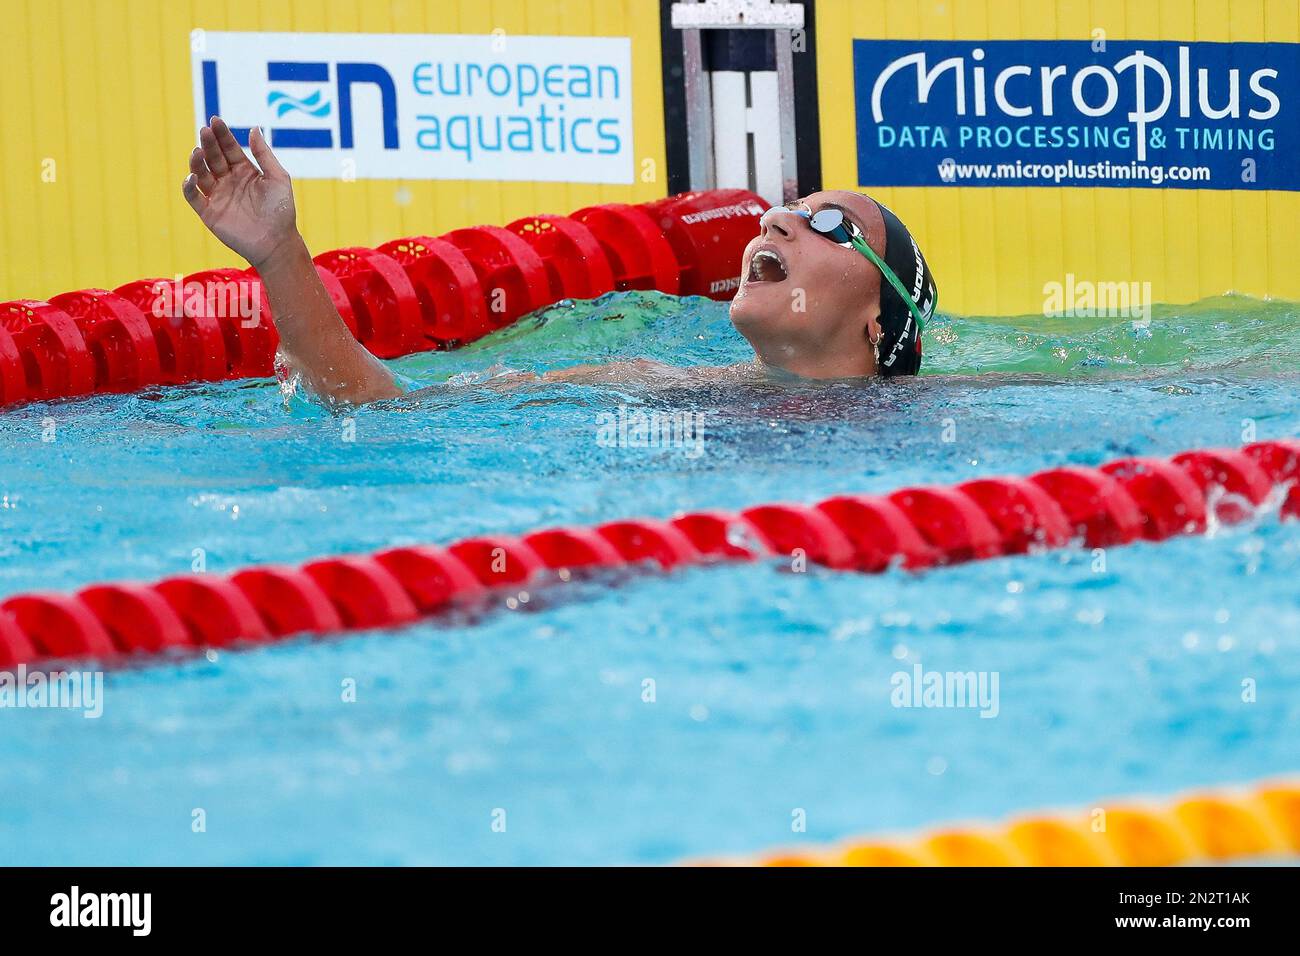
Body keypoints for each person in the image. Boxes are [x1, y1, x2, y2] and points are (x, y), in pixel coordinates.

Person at [182, 117, 937, 406]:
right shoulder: (650, 390)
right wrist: (281, 254)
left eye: (831, 222)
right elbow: (381, 407)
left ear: (880, 323)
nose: (778, 216)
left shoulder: (941, 421)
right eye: (792, 205)